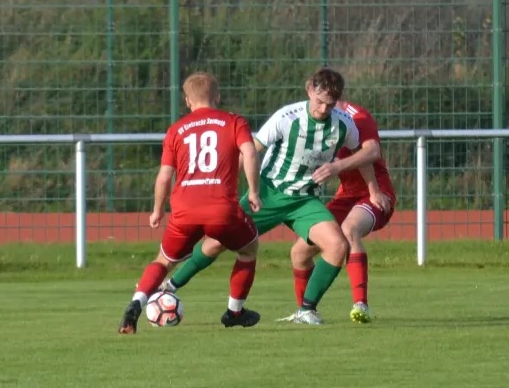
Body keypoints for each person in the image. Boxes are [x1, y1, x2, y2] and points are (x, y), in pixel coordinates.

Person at [159, 67, 389, 325]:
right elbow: (250, 151)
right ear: (309, 90)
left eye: (330, 104)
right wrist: (229, 190)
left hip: (304, 201)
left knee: (337, 246)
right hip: (269, 194)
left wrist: (373, 190)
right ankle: (170, 286)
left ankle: (307, 310)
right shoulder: (286, 117)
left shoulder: (343, 124)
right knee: (215, 242)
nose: (324, 109)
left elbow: (362, 157)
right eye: (320, 101)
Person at [118, 71, 263, 334]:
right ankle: (234, 312)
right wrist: (253, 191)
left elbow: (164, 176)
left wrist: (157, 209)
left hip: (183, 210)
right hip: (222, 209)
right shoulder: (234, 122)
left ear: (187, 101)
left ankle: (136, 303)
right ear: (217, 96)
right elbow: (250, 153)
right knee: (248, 250)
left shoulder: (176, 130)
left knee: (163, 261)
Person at [283, 100, 395, 324]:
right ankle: (305, 311)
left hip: (374, 192)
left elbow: (369, 153)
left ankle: (360, 305)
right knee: (299, 252)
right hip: (345, 196)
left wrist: (373, 190)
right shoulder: (308, 121)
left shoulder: (356, 117)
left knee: (349, 229)